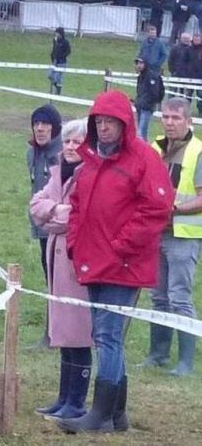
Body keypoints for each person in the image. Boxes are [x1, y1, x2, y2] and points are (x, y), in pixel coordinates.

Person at [58, 90, 174, 434]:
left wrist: (121, 247)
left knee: (108, 336)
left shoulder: (144, 159)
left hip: (124, 265)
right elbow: (78, 205)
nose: (104, 128)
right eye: (99, 122)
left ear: (126, 125)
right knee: (106, 335)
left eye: (111, 122)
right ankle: (116, 414)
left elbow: (157, 208)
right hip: (94, 261)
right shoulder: (92, 159)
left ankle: (101, 414)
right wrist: (76, 244)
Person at [30, 119, 93, 421]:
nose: (70, 147)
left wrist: (52, 213)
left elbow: (79, 216)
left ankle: (77, 402)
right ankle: (63, 398)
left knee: (78, 334)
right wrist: (56, 211)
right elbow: (36, 205)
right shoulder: (57, 171)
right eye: (67, 141)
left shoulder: (91, 175)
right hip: (57, 256)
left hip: (78, 261)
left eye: (77, 142)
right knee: (64, 334)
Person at [142, 97, 201, 376]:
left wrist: (173, 210)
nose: (169, 122)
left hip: (184, 235)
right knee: (158, 298)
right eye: (166, 117)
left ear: (189, 122)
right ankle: (158, 354)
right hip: (156, 233)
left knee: (180, 298)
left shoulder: (198, 152)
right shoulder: (154, 149)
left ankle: (186, 361)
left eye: (176, 118)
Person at [27, 104, 62, 350]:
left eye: (45, 124)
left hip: (63, 230)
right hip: (43, 229)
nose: (40, 128)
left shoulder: (65, 154)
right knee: (50, 280)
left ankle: (57, 335)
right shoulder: (32, 153)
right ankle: (52, 333)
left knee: (60, 282)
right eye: (36, 124)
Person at [134, 56, 164, 141]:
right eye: (138, 63)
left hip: (147, 108)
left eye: (141, 63)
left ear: (145, 64)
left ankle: (144, 151)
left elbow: (155, 93)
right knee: (141, 133)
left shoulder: (152, 76)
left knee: (141, 133)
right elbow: (139, 92)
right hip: (140, 107)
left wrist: (149, 102)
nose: (139, 65)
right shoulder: (140, 77)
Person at [48, 27, 71, 95]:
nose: (56, 34)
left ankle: (58, 91)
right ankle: (56, 86)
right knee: (50, 75)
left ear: (61, 34)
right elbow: (54, 49)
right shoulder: (55, 40)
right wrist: (52, 57)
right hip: (55, 62)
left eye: (57, 33)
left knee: (58, 77)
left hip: (62, 63)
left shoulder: (65, 42)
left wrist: (61, 56)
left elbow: (68, 52)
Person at [186, 33, 202, 113]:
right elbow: (184, 61)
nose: (196, 41)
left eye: (198, 39)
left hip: (200, 77)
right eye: (195, 39)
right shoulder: (188, 49)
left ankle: (200, 111)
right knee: (188, 95)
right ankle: (187, 110)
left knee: (200, 95)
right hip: (190, 77)